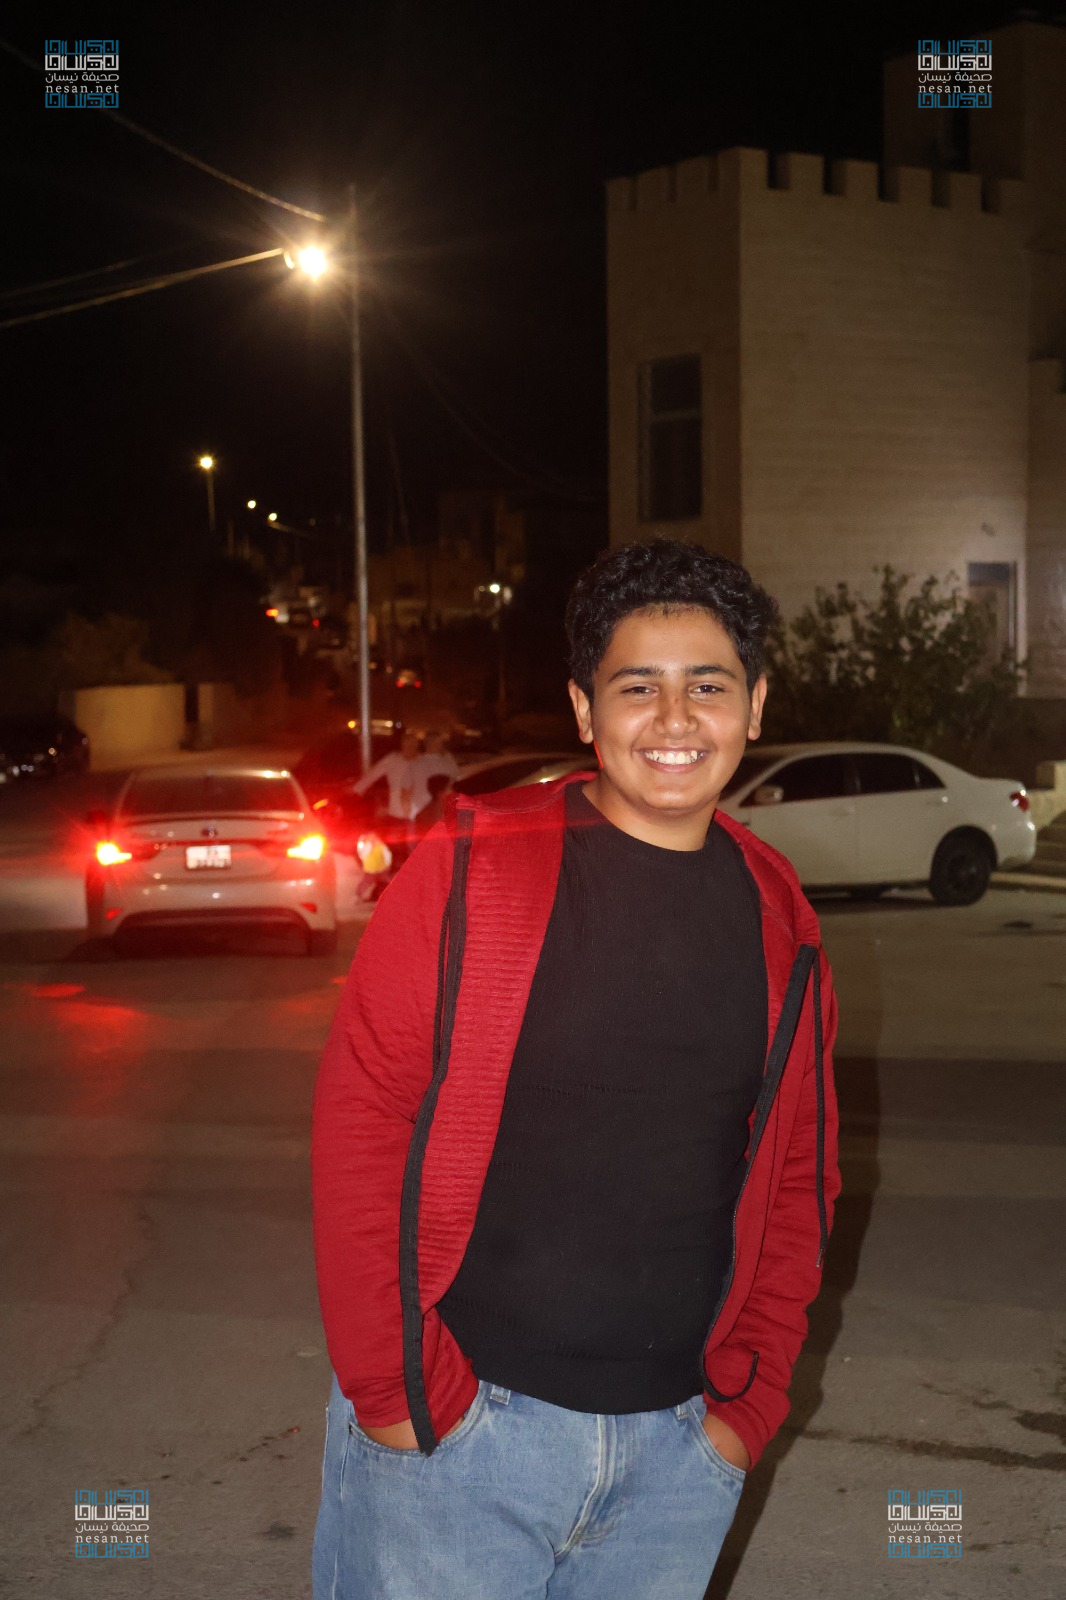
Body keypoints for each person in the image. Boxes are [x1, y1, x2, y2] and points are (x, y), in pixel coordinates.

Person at [312, 538, 840, 1600]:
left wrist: (746, 1411)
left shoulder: (780, 918)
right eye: (637, 687)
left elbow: (800, 1179)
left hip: (679, 1455)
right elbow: (365, 1123)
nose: (675, 719)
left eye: (708, 686)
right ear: (584, 709)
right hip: (460, 1437)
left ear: (755, 705)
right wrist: (398, 1391)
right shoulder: (472, 870)